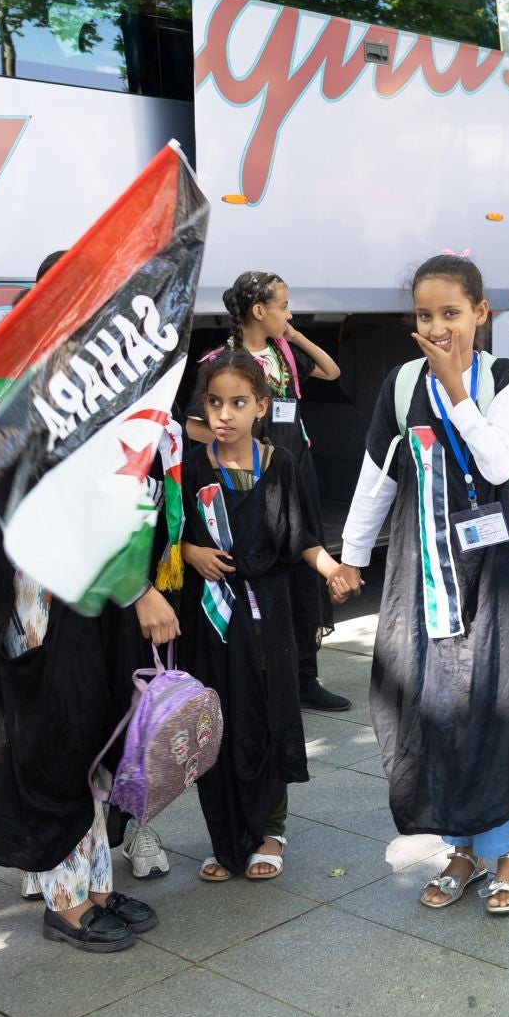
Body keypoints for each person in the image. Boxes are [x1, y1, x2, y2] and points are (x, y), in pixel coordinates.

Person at [334, 255, 509, 917]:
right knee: (435, 708)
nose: (438, 327)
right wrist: (349, 557)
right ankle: (464, 846)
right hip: (425, 577)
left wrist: (458, 389)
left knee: (496, 711)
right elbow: (377, 475)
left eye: (451, 313)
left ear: (482, 313)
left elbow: (499, 464)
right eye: (425, 316)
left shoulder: (503, 378)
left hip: (498, 580)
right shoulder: (401, 385)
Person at [0, 250, 171, 949]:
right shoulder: (30, 403)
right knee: (61, 752)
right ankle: (65, 903)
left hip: (87, 615)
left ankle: (96, 886)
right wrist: (142, 586)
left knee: (92, 747)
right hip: (46, 620)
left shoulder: (85, 399)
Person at [180, 353, 351, 882]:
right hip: (211, 616)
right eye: (214, 402)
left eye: (237, 403)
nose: (224, 414)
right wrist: (190, 553)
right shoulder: (188, 466)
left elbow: (302, 536)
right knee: (219, 721)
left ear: (260, 406)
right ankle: (226, 837)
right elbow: (166, 536)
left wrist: (331, 569)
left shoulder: (280, 464)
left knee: (270, 714)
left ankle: (271, 829)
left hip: (268, 614)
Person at [200, 272, 351, 713]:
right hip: (253, 477)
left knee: (304, 565)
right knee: (260, 572)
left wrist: (294, 334)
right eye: (283, 307)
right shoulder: (224, 362)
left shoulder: (283, 354)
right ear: (258, 310)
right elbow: (196, 425)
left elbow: (330, 369)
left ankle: (304, 675)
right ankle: (259, 674)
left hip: (296, 469)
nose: (289, 314)